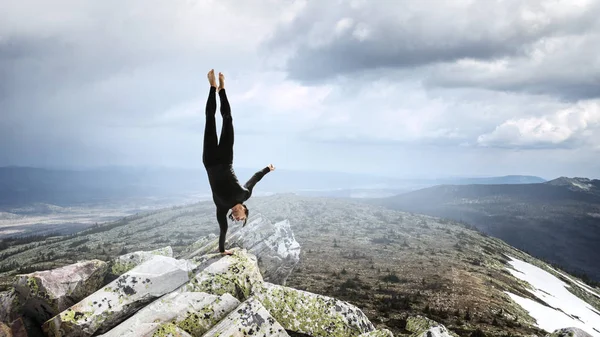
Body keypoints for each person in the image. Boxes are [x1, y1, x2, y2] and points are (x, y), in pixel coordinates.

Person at [202, 69, 275, 255]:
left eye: (234, 218)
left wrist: (222, 250)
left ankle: (212, 87)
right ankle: (222, 89)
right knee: (228, 120)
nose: (235, 217)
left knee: (210, 120)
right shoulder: (244, 194)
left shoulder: (221, 207)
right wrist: (267, 168)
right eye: (240, 217)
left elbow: (222, 230)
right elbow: (255, 178)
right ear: (245, 211)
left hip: (210, 161)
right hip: (226, 159)